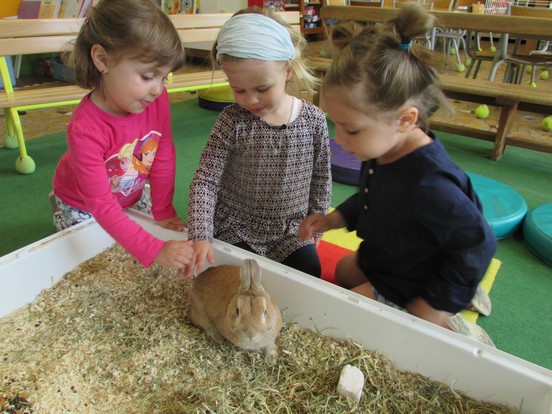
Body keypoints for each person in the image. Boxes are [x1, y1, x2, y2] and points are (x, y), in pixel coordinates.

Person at [298, 5, 497, 345]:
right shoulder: (384, 145)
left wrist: (435, 305)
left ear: (405, 119)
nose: (341, 141)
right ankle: (453, 295)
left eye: (351, 130)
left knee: (344, 323)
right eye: (338, 127)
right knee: (345, 270)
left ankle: (456, 322)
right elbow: (372, 195)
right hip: (391, 249)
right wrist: (333, 220)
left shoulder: (430, 185)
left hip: (416, 274)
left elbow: (478, 243)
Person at [187, 7, 332, 278]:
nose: (250, 100)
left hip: (290, 230)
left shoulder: (313, 120)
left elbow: (321, 178)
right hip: (236, 226)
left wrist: (317, 225)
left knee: (309, 273)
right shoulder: (232, 120)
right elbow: (206, 181)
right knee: (234, 277)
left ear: (288, 71)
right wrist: (200, 234)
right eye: (238, 90)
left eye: (262, 89)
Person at [51, 0, 194, 270]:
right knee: (89, 258)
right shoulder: (85, 129)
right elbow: (101, 205)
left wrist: (162, 209)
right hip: (83, 204)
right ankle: (58, 206)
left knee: (145, 231)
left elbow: (163, 154)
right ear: (103, 60)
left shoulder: (156, 99)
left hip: (129, 191)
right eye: (148, 76)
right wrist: (154, 249)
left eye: (164, 77)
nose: (157, 89)